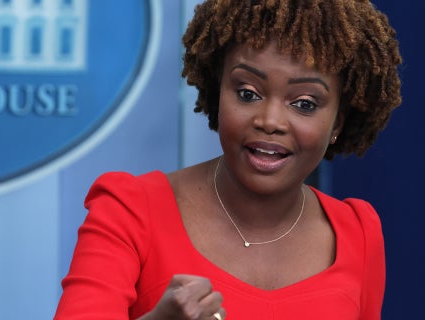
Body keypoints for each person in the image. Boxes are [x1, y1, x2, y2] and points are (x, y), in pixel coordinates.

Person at [55, 0, 402, 319]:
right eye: (247, 93)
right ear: (216, 90)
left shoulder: (358, 233)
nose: (270, 120)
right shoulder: (129, 210)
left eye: (305, 103)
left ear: (338, 121)